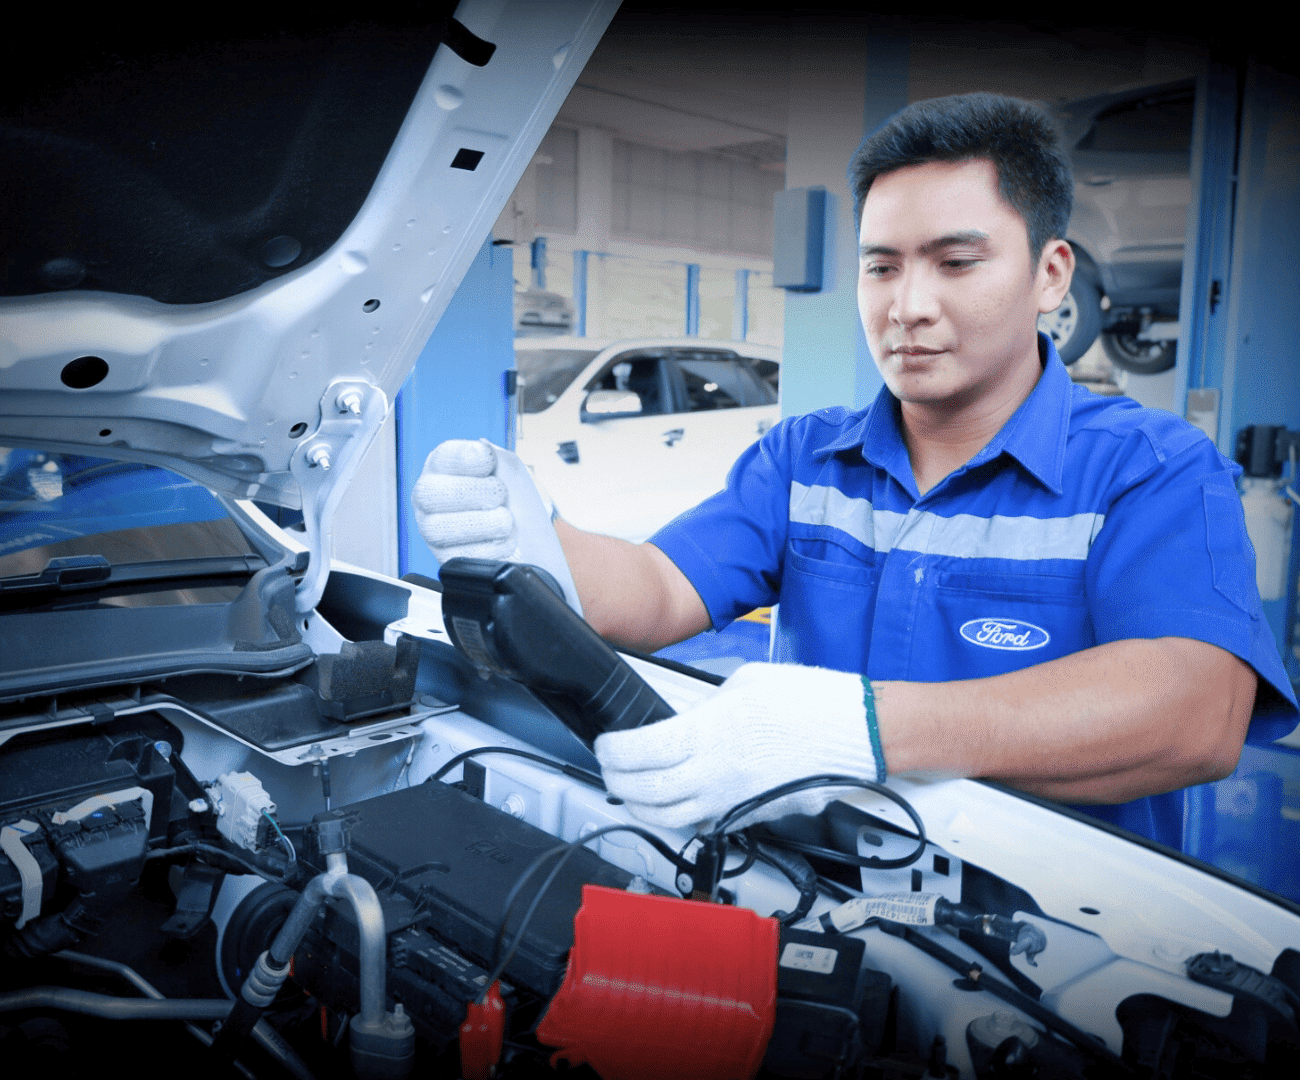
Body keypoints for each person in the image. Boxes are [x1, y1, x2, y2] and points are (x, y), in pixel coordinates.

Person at [413, 93, 1298, 848]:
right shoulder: (806, 460)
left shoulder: (1153, 472)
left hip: (1057, 943)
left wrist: (861, 732)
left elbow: (1196, 714)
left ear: (1050, 274)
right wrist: (545, 549)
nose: (908, 307)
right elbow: (657, 587)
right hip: (812, 891)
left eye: (957, 262)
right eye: (882, 268)